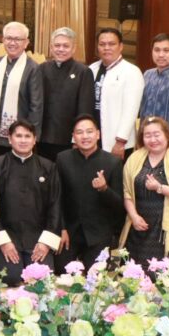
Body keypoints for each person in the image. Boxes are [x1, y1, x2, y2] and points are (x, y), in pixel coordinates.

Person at [0, 120, 62, 285]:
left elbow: (55, 205)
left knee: (40, 280)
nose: (23, 140)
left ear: (34, 140)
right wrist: (3, 242)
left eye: (27, 136)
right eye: (18, 136)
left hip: (38, 238)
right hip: (7, 236)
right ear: (9, 139)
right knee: (10, 277)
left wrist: (45, 242)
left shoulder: (48, 167)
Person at [119, 117, 169, 270]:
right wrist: (134, 216)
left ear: (167, 135)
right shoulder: (134, 158)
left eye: (157, 134)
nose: (153, 139)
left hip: (165, 227)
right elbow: (127, 192)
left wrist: (160, 188)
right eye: (147, 135)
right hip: (139, 223)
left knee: (165, 277)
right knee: (134, 276)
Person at [55, 115, 125, 269]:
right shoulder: (63, 159)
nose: (85, 136)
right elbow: (56, 197)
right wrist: (62, 228)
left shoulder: (113, 162)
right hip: (70, 231)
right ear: (73, 136)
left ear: (98, 134)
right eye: (79, 132)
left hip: (99, 233)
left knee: (101, 274)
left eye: (89, 131)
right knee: (61, 271)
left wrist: (104, 189)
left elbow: (120, 205)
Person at [0, 22, 43, 158]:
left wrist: (30, 135)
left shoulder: (33, 68)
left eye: (18, 39)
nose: (12, 43)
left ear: (26, 43)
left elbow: (36, 106)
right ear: (3, 40)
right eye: (9, 38)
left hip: (20, 137)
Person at [38, 27, 95, 160]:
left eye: (66, 46)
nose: (61, 49)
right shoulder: (42, 68)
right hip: (43, 137)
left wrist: (77, 138)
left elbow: (85, 108)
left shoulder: (83, 71)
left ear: (73, 48)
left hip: (68, 139)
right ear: (51, 47)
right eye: (57, 45)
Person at [90, 28, 144, 159]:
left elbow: (131, 110)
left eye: (111, 44)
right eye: (102, 44)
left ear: (121, 46)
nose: (106, 48)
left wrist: (121, 141)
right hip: (93, 137)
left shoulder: (131, 72)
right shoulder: (92, 69)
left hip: (117, 141)